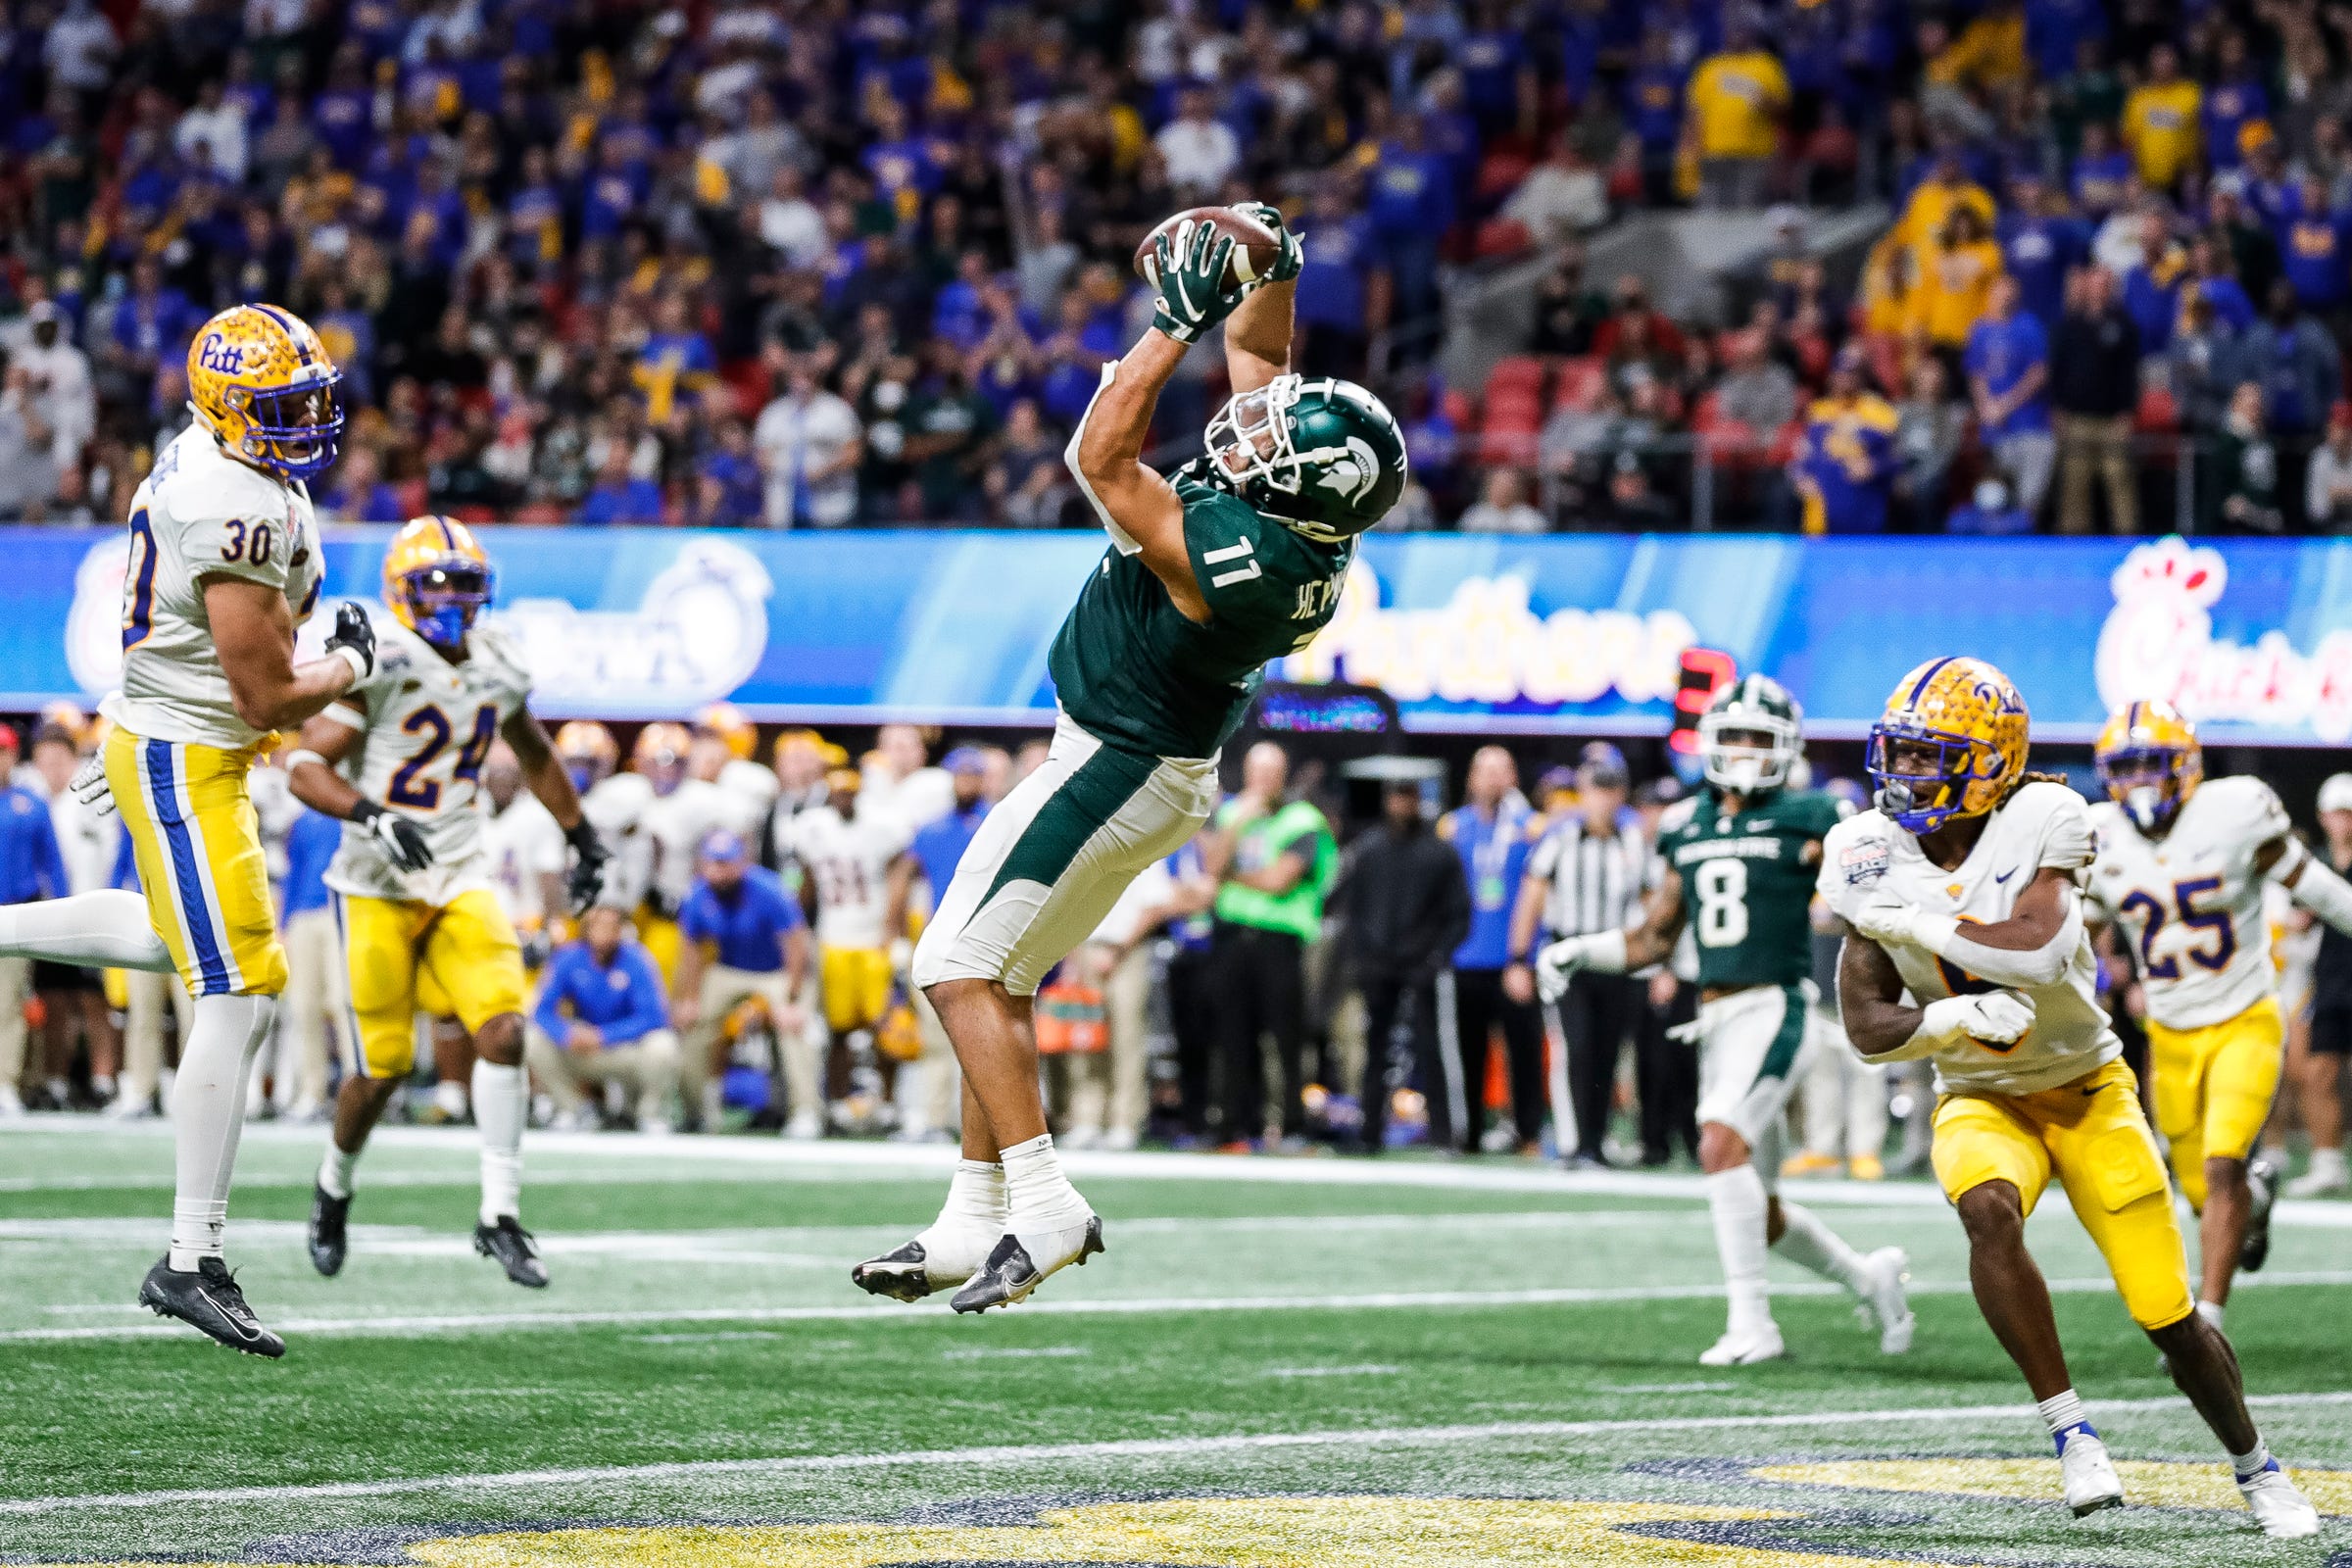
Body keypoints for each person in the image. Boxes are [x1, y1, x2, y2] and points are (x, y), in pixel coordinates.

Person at [868, 205, 1396, 1312]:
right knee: (997, 973)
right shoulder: (1301, 521)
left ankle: (1047, 1203)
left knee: (953, 966)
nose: (1249, 436)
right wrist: (1276, 267)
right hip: (1146, 761)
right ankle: (972, 1218)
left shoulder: (1241, 556)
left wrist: (1170, 324)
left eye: (1272, 450)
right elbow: (1261, 357)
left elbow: (1096, 453)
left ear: (1297, 495)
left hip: (1119, 756)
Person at [1824, 656, 2319, 1537]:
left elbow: (2037, 952)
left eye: (1928, 756)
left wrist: (1917, 924)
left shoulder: (2046, 815)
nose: (1903, 775)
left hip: (2088, 1087)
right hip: (1980, 1091)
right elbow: (1865, 1024)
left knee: (2169, 1318)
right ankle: (2071, 1430)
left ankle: (2257, 1467)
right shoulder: (1866, 848)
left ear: (1987, 762)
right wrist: (1950, 1022)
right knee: (1987, 1210)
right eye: (1898, 754)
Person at [0, 304, 373, 1355]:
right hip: (190, 746)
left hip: (173, 736)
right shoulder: (228, 500)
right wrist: (351, 661)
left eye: (307, 400)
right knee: (240, 983)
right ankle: (191, 1256)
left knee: (188, 942)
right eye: (279, 406)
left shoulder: (220, 463)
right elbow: (265, 692)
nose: (302, 421)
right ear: (224, 408)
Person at [1538, 677, 1910, 1365]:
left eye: (1758, 738)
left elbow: (1867, 887)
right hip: (1715, 1019)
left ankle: (1753, 1325)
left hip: (1775, 1005)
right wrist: (1579, 951)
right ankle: (1868, 1277)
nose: (1743, 751)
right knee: (1758, 1209)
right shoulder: (1686, 822)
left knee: (1718, 1144)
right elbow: (1653, 938)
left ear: (1785, 748)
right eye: (1732, 736)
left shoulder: (1812, 812)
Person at [288, 516, 609, 1290]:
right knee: (383, 1067)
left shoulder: (498, 661)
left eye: (466, 583)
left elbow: (533, 751)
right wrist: (372, 815)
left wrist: (583, 835)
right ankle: (333, 1186)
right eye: (437, 583)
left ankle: (499, 1215)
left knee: (503, 1030)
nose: (454, 599)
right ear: (405, 589)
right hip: (375, 881)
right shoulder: (384, 659)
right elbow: (303, 765)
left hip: (460, 870)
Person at [2083, 699, 2352, 1331]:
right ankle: (2254, 1204)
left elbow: (2314, 888)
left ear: (2186, 765)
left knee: (2222, 1161)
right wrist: (2095, 986)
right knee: (2201, 1191)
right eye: (2127, 767)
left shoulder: (2233, 813)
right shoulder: (2098, 835)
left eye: (2153, 764)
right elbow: (2078, 936)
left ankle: (2208, 1318)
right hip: (2168, 1034)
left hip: (2243, 1017)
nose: (2141, 782)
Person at [1508, 743, 1647, 1166]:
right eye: (1595, 788)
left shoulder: (1635, 840)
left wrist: (1655, 962)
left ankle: (1596, 1140)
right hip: (1569, 954)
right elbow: (1532, 896)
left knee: (1608, 1052)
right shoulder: (1561, 838)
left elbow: (1653, 896)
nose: (1603, 798)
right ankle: (1572, 1143)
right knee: (1576, 1046)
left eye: (1610, 789)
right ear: (1582, 791)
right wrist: (1518, 959)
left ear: (1620, 794)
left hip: (1616, 955)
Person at [1206, 741, 1338, 1152]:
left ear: (1284, 775)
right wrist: (1235, 827)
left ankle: (1292, 1125)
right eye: (1256, 771)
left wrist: (1231, 876)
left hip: (1280, 939)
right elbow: (1211, 867)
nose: (1262, 780)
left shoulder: (1303, 820)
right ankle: (1235, 1127)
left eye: (1271, 771)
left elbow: (1280, 880)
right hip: (1232, 936)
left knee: (1287, 1037)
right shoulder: (1230, 814)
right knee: (1233, 1036)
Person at [1335, 778, 1470, 1153]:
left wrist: (1436, 957)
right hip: (1378, 965)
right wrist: (1361, 957)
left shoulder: (1440, 852)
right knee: (1374, 1050)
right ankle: (1369, 1132)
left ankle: (1444, 1133)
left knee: (1434, 1048)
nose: (1402, 804)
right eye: (1396, 796)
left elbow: (1459, 914)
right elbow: (1352, 908)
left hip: (1422, 964)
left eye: (1408, 796)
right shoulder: (1370, 849)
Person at [778, 767, 914, 1131]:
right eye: (838, 793)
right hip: (832, 938)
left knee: (883, 1024)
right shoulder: (812, 828)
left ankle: (887, 1104)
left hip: (872, 940)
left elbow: (902, 869)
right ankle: (837, 1103)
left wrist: (892, 928)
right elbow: (805, 881)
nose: (844, 799)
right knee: (837, 1029)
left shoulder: (881, 826)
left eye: (850, 792)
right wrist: (796, 926)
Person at [1441, 747, 1547, 1153]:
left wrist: (1527, 956)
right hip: (1465, 955)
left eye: (1501, 770)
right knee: (1468, 1051)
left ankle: (1528, 1132)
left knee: (1524, 1050)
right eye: (1483, 770)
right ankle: (1466, 1134)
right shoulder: (1452, 828)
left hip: (1514, 960)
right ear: (1470, 778)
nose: (1492, 779)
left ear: (1514, 777)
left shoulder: (1534, 828)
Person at [672, 828, 812, 1133]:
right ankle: (696, 1110)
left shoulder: (769, 889)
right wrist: (689, 999)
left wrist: (791, 998)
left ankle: (806, 1110)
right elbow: (692, 953)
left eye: (726, 864)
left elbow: (796, 945)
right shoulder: (698, 894)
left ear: (741, 863)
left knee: (795, 1027)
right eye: (713, 863)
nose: (719, 872)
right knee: (693, 1024)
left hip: (776, 971)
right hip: (728, 969)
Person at [524, 904, 681, 1131]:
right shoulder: (568, 958)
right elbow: (540, 1012)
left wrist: (603, 1035)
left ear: (621, 930)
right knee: (532, 1039)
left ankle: (650, 1113)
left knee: (664, 1045)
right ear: (587, 928)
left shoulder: (637, 960)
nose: (604, 932)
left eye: (612, 926)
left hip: (624, 1048)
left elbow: (654, 1016)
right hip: (581, 1047)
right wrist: (567, 1033)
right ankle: (573, 1109)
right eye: (598, 925)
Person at [0, 725, 69, 1115]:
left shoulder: (31, 804)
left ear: (14, 756)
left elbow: (52, 865)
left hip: (14, 915)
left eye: (4, 751)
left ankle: (5, 1081)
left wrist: (61, 912)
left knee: (9, 1005)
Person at [2290, 772, 2352, 1197]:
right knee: (2318, 1071)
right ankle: (2327, 1160)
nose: (2344, 822)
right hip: (2330, 978)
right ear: (2323, 817)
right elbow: (2299, 918)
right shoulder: (2315, 864)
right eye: (2338, 813)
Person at [2050, 265, 2141, 535]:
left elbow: (2129, 372)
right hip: (2077, 418)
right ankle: (2074, 543)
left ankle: (2127, 539)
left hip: (2112, 419)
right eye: (2095, 283)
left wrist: (2127, 411)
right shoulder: (2069, 325)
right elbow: (2057, 369)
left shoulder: (2123, 326)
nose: (2099, 289)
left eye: (2105, 284)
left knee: (2120, 480)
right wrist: (2058, 408)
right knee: (2074, 484)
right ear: (2087, 286)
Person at [1965, 276, 2056, 518]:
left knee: (2029, 500)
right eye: (1998, 292)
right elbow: (1977, 373)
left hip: (2030, 426)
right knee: (1994, 498)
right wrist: (1986, 406)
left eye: (2008, 293)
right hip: (1995, 428)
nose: (2003, 298)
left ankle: (2028, 541)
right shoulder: (1980, 329)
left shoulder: (2029, 326)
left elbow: (2039, 372)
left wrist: (2006, 404)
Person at [1790, 347, 1901, 534]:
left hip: (1864, 509)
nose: (1847, 380)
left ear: (1862, 378)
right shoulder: (1818, 412)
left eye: (1853, 375)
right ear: (1832, 377)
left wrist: (1874, 467)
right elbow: (1801, 456)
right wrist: (1801, 476)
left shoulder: (1881, 413)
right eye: (1842, 374)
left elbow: (1897, 460)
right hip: (1821, 515)